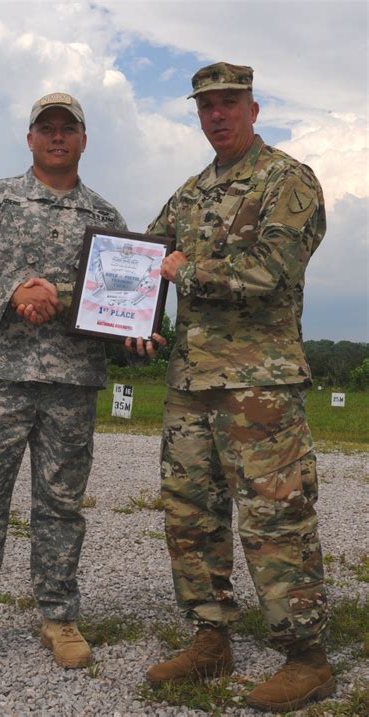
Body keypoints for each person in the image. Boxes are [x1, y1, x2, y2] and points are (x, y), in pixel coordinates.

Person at [0, 92, 160, 678]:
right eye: (46, 127)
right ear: (29, 138)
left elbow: (118, 301)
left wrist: (133, 333)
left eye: (69, 129)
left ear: (84, 140)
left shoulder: (106, 220)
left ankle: (58, 614)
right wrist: (13, 291)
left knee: (60, 504)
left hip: (70, 381)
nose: (57, 137)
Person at [144, 62, 335, 713]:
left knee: (274, 517)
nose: (216, 115)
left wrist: (184, 268)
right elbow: (142, 260)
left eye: (228, 103)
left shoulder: (288, 180)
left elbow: (272, 270)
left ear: (252, 108)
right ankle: (211, 636)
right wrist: (128, 319)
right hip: (190, 384)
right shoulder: (191, 192)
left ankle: (307, 656)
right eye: (205, 106)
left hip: (259, 388)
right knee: (189, 513)